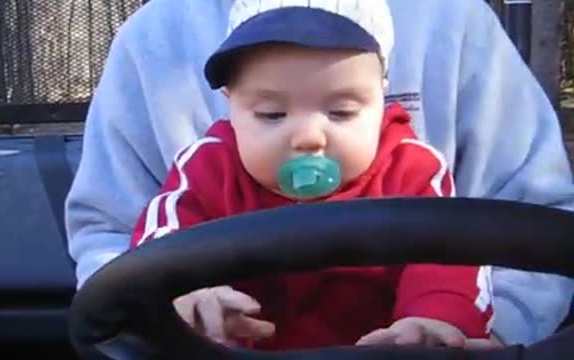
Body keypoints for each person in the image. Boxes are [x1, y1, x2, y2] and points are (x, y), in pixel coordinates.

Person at [65, 0, 574, 348]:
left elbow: (497, 238)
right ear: (230, 104)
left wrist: (457, 331)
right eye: (270, 114)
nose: (308, 137)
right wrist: (174, 305)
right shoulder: (197, 143)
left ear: (383, 97)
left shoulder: (417, 150)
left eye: (341, 111)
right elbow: (126, 236)